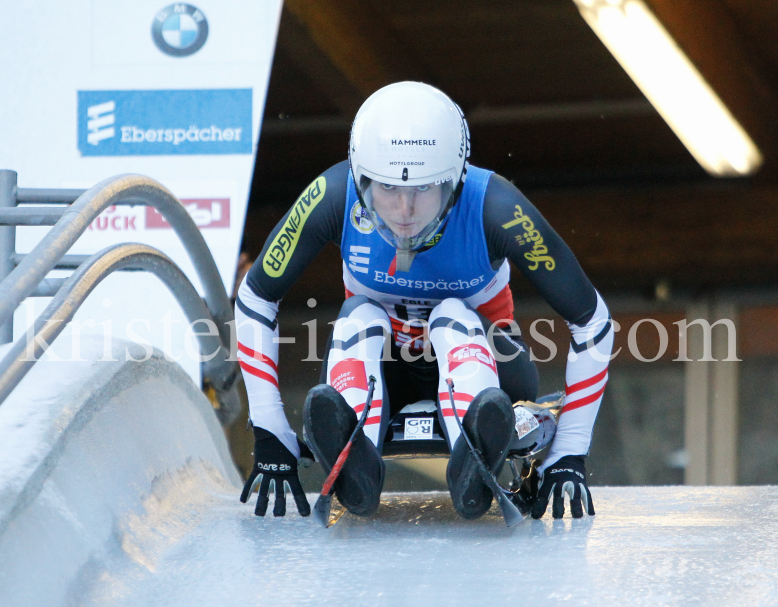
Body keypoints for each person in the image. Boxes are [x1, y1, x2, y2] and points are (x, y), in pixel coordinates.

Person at [236, 82, 613, 521]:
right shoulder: (332, 193)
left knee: (451, 312)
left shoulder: (500, 207)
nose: (404, 209)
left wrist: (568, 453)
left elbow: (592, 321)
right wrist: (270, 429)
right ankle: (358, 463)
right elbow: (256, 296)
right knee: (358, 315)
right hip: (379, 367)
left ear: (455, 182)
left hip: (487, 365)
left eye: (423, 190)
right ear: (360, 179)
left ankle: (474, 450)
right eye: (387, 189)